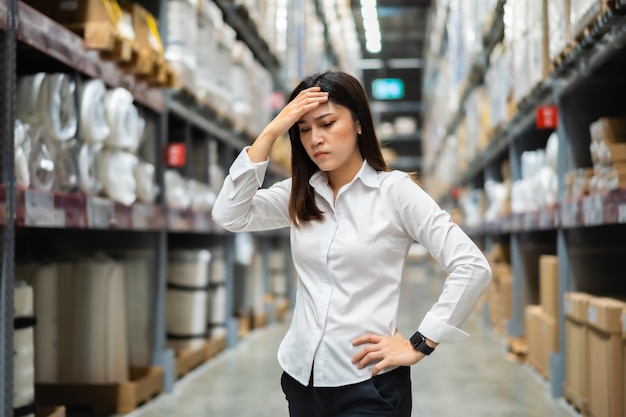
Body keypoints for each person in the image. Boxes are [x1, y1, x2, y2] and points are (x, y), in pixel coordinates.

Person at [211, 70, 491, 417]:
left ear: (359, 123)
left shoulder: (394, 192)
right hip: (302, 380)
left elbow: (471, 265)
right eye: (304, 129)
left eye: (327, 123)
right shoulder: (300, 194)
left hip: (368, 384)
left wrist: (421, 342)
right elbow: (228, 214)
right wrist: (272, 131)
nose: (315, 139)